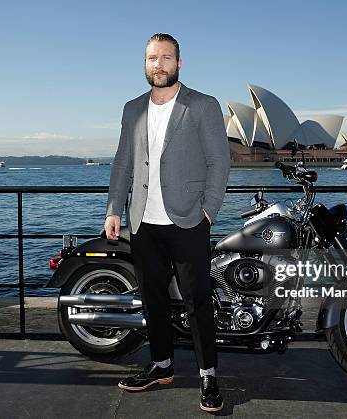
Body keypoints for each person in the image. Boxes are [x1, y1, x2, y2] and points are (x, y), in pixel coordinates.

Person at [104, 33, 230, 412]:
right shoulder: (132, 108)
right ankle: (161, 364)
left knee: (197, 301)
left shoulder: (203, 105)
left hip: (189, 219)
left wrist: (209, 210)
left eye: (165, 58)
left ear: (179, 63)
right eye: (151, 58)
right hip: (143, 220)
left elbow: (219, 162)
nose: (158, 65)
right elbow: (123, 161)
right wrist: (114, 208)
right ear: (144, 63)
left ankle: (208, 373)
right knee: (153, 299)